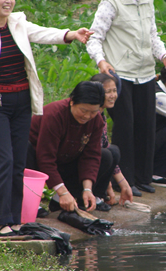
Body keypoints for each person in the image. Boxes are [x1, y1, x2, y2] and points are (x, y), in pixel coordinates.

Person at [0, 0, 92, 237]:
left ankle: (16, 219)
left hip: (22, 103)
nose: (8, 1)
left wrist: (71, 34)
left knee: (18, 164)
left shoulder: (18, 24)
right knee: (4, 162)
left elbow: (43, 33)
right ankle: (1, 222)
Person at [86, 0, 166, 195]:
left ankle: (142, 177)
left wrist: (164, 56)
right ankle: (123, 181)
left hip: (146, 73)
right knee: (125, 128)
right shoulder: (111, 1)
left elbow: (152, 34)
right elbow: (94, 37)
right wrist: (101, 60)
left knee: (146, 126)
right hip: (120, 74)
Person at [27, 81, 118, 213]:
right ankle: (32, 201)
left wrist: (87, 189)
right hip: (38, 162)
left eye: (93, 112)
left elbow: (91, 156)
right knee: (25, 149)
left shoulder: (96, 120)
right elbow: (45, 157)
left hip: (66, 161)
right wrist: (63, 191)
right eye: (83, 110)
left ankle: (65, 200)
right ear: (72, 102)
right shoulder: (54, 115)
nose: (87, 116)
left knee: (106, 155)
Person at [90, 73, 133, 205]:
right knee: (107, 154)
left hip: (92, 160)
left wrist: (124, 185)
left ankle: (99, 195)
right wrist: (108, 186)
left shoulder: (101, 114)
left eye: (114, 91)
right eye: (108, 92)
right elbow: (96, 150)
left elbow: (104, 145)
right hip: (81, 163)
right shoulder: (91, 114)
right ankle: (93, 195)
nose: (113, 95)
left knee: (113, 150)